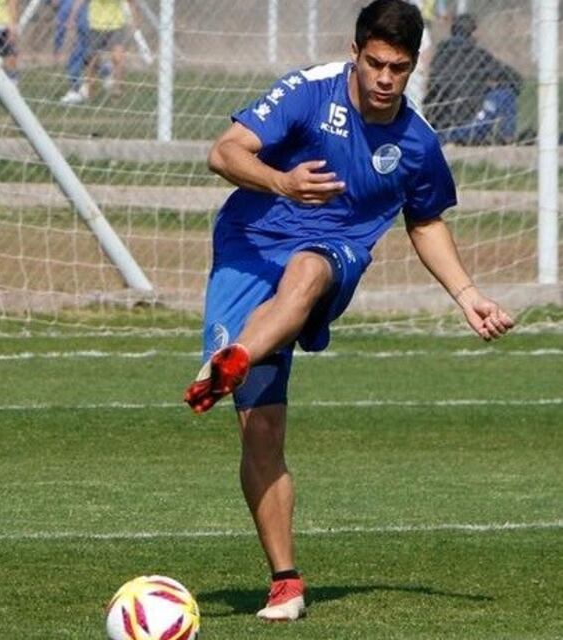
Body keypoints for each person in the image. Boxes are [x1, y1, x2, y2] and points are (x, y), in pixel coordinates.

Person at [184, 0, 514, 622]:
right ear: (356, 51)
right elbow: (223, 151)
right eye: (376, 63)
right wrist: (282, 183)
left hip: (333, 252)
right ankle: (286, 583)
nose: (386, 78)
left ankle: (236, 358)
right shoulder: (308, 92)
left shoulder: (416, 143)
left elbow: (426, 222)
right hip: (247, 251)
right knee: (261, 434)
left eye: (400, 67)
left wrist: (468, 295)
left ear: (414, 66)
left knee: (310, 269)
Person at [424, 13, 523, 145]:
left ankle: (448, 136)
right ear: (472, 33)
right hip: (469, 127)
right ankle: (507, 137)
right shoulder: (477, 54)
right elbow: (514, 78)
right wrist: (491, 86)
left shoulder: (440, 53)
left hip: (439, 126)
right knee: (505, 93)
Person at [64, 0, 139, 102]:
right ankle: (90, 90)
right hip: (96, 27)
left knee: (118, 58)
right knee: (92, 60)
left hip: (116, 26)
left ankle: (117, 90)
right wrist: (72, 17)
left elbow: (131, 2)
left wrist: (135, 20)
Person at [54, 0, 112, 104]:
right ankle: (105, 71)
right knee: (88, 56)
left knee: (79, 56)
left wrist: (71, 17)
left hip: (91, 22)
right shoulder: (66, 6)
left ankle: (75, 90)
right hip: (89, 22)